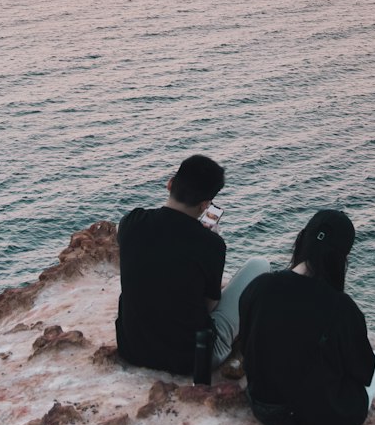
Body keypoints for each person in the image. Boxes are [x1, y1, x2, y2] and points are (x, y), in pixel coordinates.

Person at [239, 208, 375, 425]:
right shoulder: (342, 308)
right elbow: (363, 373)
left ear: (301, 239)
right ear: (343, 258)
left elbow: (247, 348)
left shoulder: (259, 286)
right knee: (371, 373)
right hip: (323, 420)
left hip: (264, 407)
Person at [115, 153, 270, 376]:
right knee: (259, 264)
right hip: (191, 360)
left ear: (170, 184)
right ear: (205, 205)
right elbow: (209, 307)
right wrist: (210, 241)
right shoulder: (211, 244)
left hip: (133, 349)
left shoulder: (131, 222)